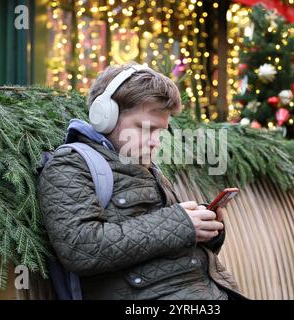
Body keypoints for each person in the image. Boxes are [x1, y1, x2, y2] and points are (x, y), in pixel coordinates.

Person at [38, 62, 247, 300]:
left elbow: (165, 246)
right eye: (145, 128)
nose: (155, 141)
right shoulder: (71, 165)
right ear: (105, 116)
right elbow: (82, 248)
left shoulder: (146, 166)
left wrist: (205, 231)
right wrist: (180, 224)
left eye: (160, 131)